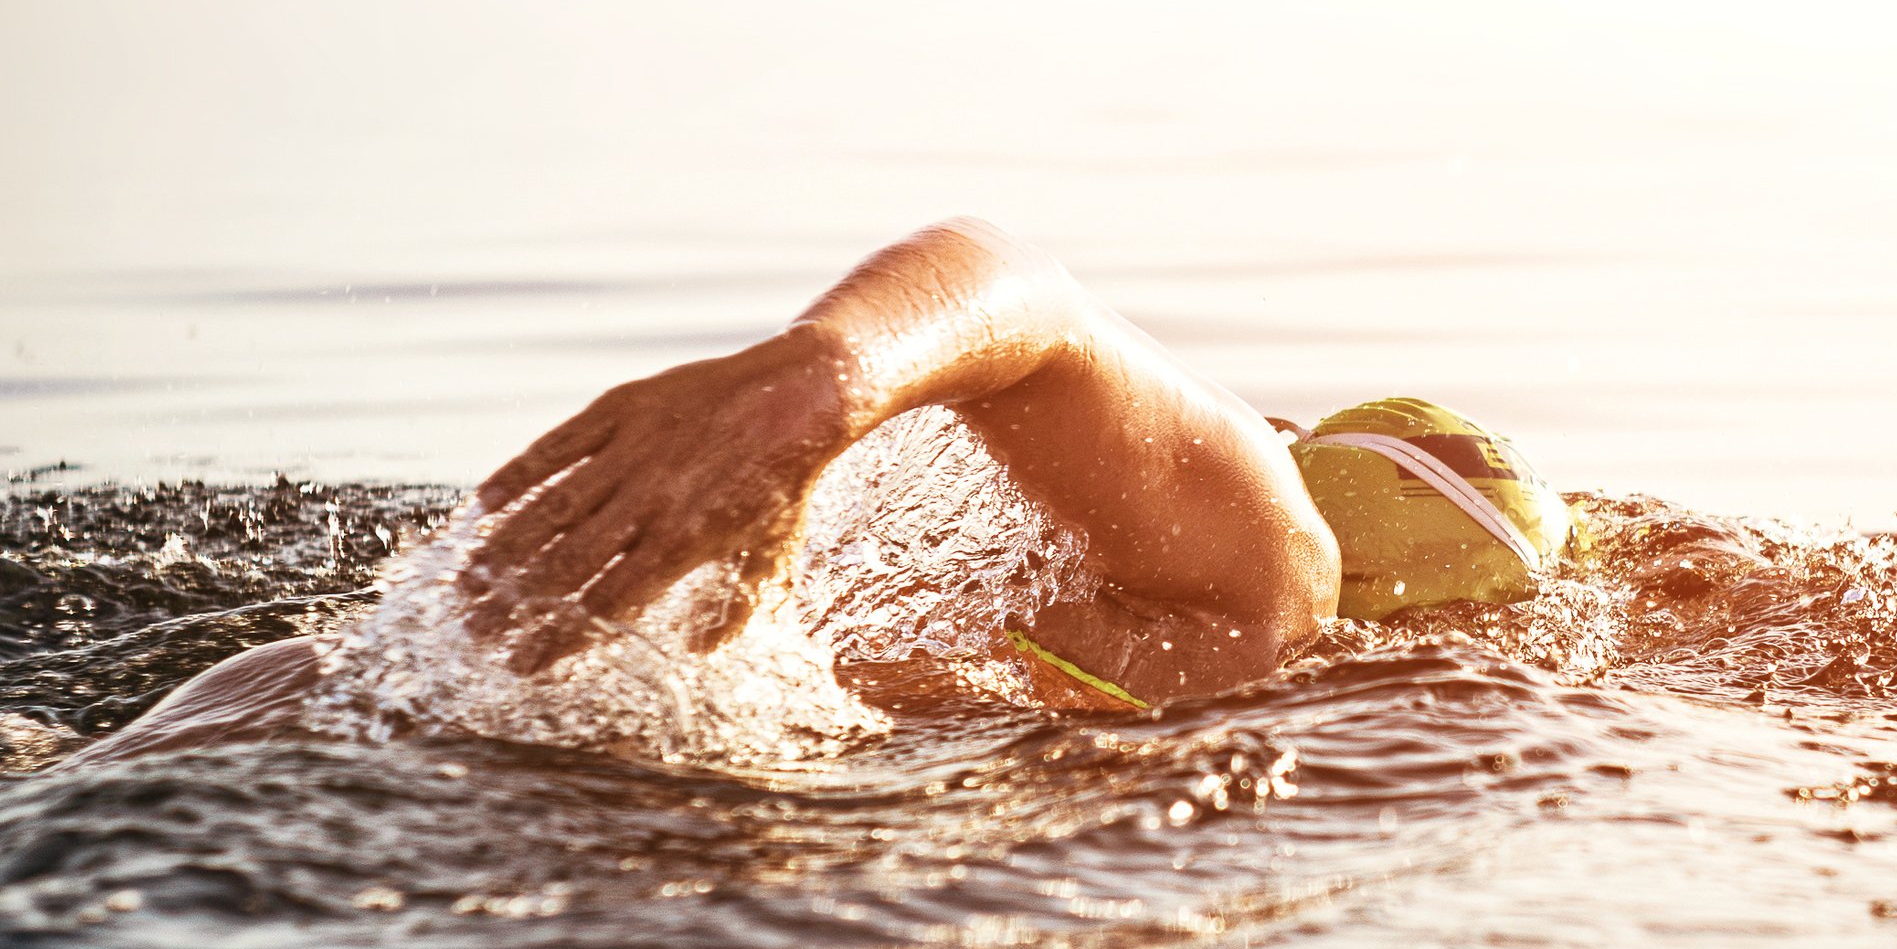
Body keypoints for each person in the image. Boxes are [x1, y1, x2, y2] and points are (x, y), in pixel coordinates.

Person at [78, 219, 1574, 760]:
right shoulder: (1194, 681)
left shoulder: (1277, 581)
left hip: (334, 719)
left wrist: (824, 384)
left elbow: (1026, 299)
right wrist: (807, 396)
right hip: (560, 815)